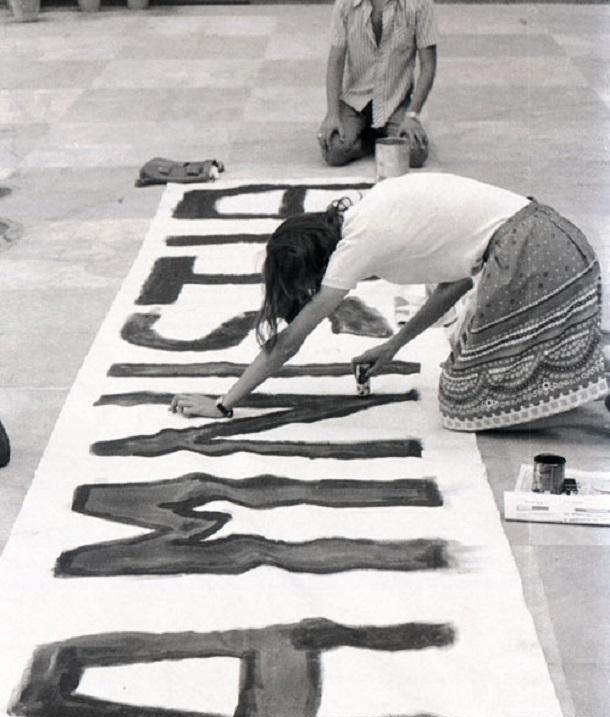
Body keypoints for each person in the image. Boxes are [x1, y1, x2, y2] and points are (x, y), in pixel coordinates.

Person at [170, 173, 608, 432]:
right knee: (474, 358)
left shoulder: (355, 246)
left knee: (464, 402)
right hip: (558, 240)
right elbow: (454, 283)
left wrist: (225, 403)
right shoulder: (370, 209)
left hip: (534, 257)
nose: (311, 293)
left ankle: (602, 367)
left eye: (307, 283)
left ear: (317, 261)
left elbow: (290, 342)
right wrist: (393, 345)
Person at [317, 0, 438, 168]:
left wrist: (412, 115)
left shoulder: (420, 4)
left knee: (415, 153)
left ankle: (380, 137)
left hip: (395, 100)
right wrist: (332, 114)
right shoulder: (345, 4)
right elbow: (336, 61)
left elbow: (428, 65)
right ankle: (373, 142)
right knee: (334, 151)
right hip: (355, 101)